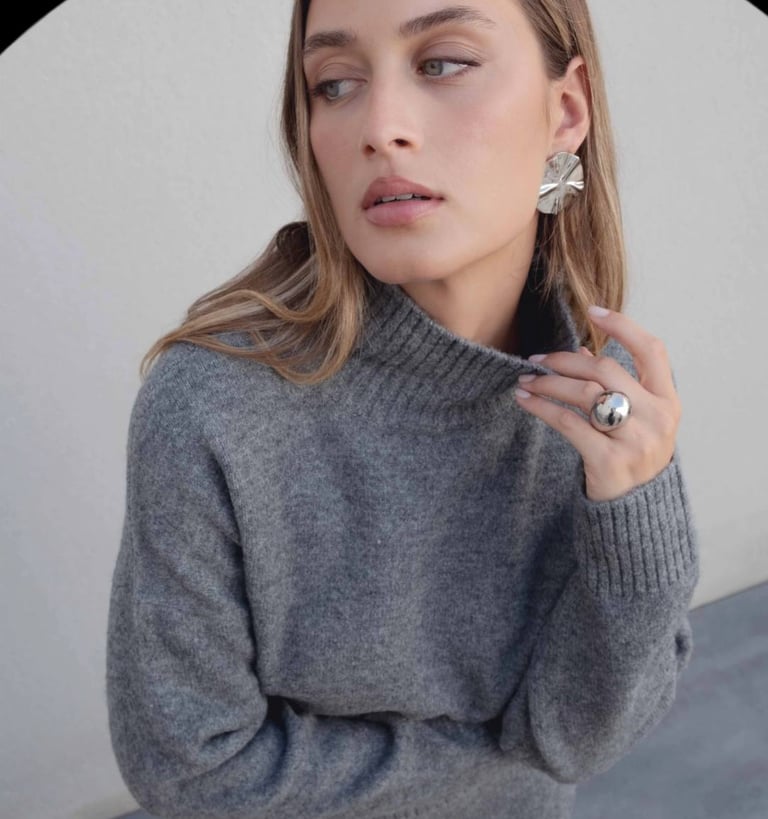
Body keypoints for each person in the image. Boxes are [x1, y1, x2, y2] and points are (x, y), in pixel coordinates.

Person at [105, 1, 701, 817]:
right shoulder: (212, 406)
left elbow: (579, 739)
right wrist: (505, 756)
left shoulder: (607, 403)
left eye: (442, 63)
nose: (380, 129)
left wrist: (638, 515)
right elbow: (189, 771)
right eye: (335, 83)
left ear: (565, 112)